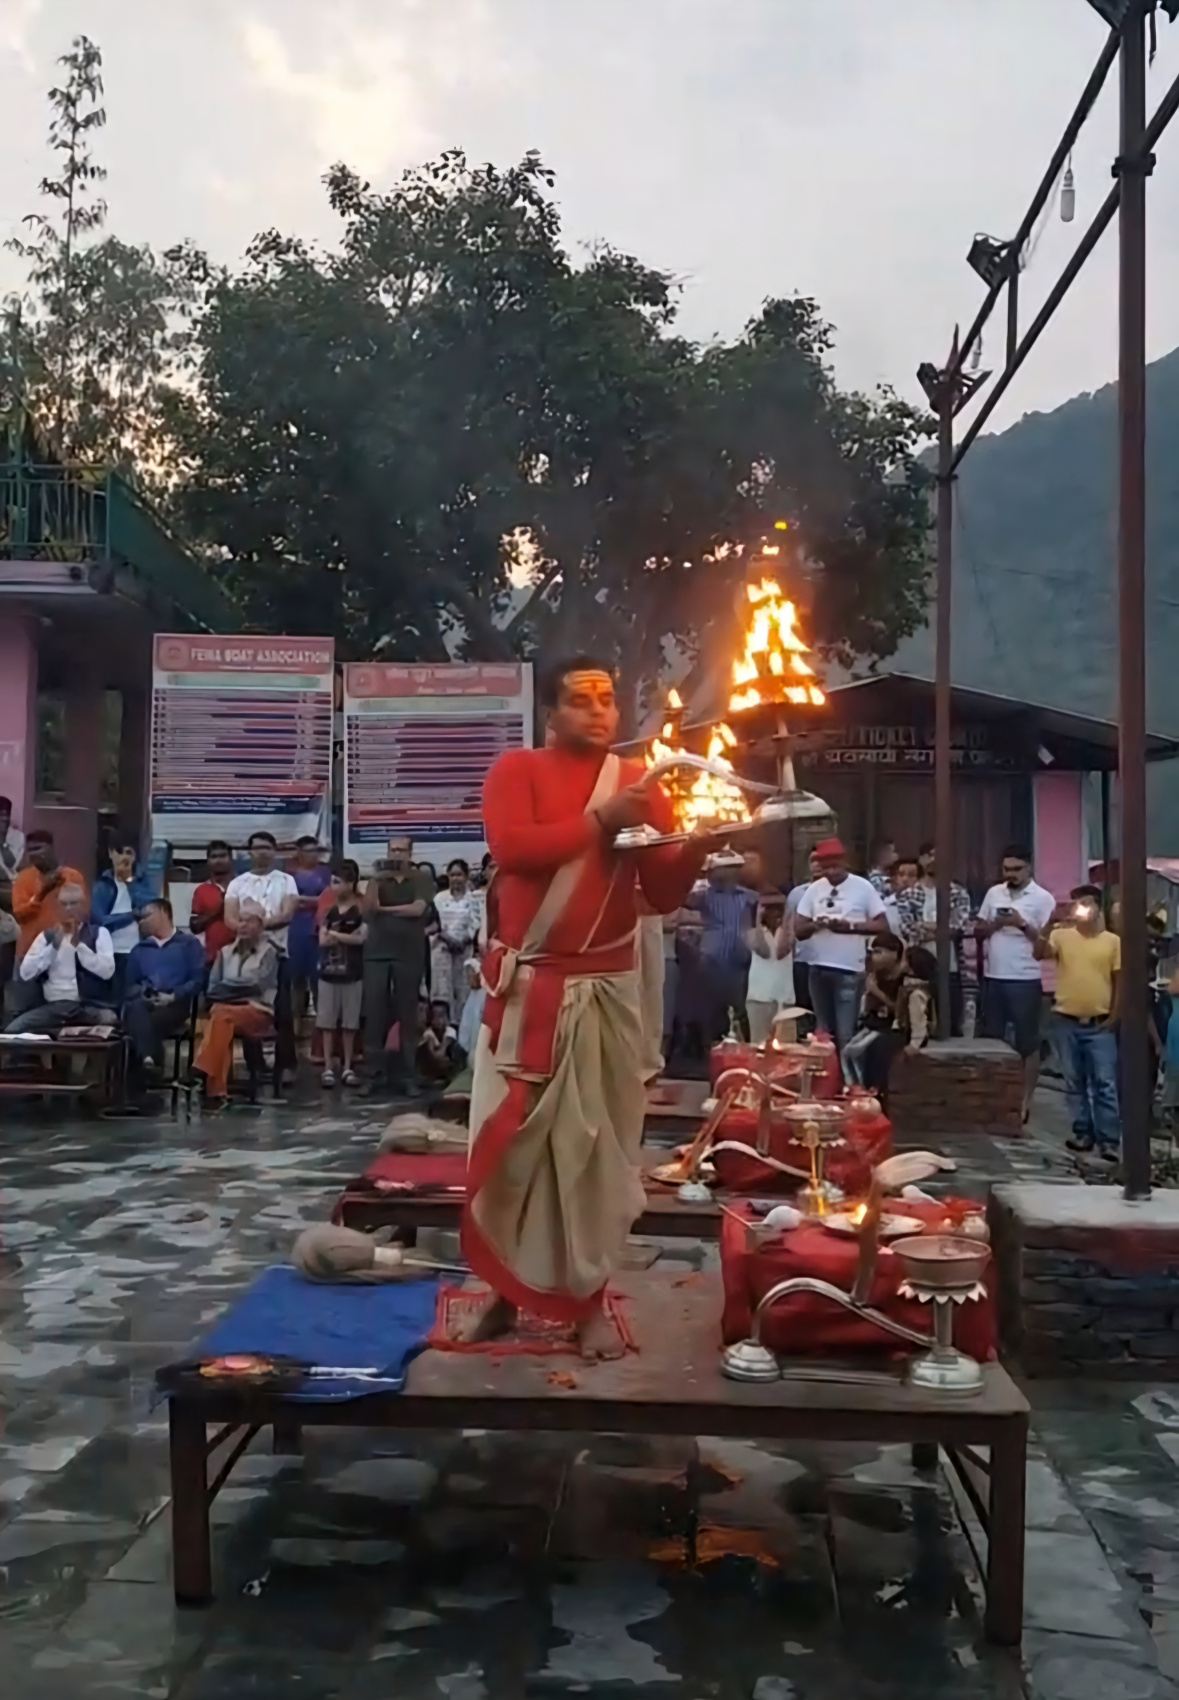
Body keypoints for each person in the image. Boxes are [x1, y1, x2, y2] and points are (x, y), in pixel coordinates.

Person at [465, 654, 709, 1359]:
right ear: (551, 712)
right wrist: (602, 820)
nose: (600, 711)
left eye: (607, 699)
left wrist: (699, 844)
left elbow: (660, 893)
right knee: (512, 1153)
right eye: (582, 700)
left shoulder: (639, 781)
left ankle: (586, 1303)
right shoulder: (517, 770)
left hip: (606, 994)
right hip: (528, 994)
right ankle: (503, 1293)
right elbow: (513, 850)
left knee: (594, 1158)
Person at [1034, 886, 1121, 1160]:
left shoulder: (1112, 942)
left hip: (1099, 1022)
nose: (1083, 909)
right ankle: (1083, 1133)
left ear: (1099, 908)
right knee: (1073, 1081)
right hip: (1066, 1019)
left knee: (1105, 1083)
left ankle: (1109, 1140)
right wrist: (1049, 924)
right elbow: (1039, 953)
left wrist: (1115, 1015)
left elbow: (1119, 981)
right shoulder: (1061, 936)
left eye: (1088, 904)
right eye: (1079, 904)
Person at [977, 845, 1056, 1121]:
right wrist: (996, 925)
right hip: (994, 976)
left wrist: (1021, 924)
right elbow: (978, 930)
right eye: (1006, 869)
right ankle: (996, 1099)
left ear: (1029, 867)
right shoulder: (993, 893)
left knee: (1027, 1043)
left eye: (1016, 869)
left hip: (1025, 977)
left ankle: (1025, 1101)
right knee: (992, 1039)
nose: (1011, 874)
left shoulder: (1043, 899)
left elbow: (1047, 943)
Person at [793, 838, 886, 1058]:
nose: (831, 872)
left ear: (845, 862)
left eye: (835, 866)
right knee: (823, 1034)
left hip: (849, 970)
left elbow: (882, 926)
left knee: (846, 1034)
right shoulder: (814, 889)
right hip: (817, 969)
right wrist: (817, 924)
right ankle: (829, 1075)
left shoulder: (863, 887)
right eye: (826, 867)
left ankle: (849, 1076)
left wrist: (850, 926)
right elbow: (799, 929)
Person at [362, 836, 434, 1096]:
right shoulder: (378, 879)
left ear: (410, 853)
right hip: (376, 953)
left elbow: (417, 910)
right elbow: (368, 911)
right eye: (393, 850)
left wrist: (385, 909)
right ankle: (374, 1074)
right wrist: (375, 882)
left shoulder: (421, 879)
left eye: (402, 850)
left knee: (407, 1014)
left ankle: (407, 1075)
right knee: (374, 1013)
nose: (397, 854)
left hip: (409, 953)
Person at [224, 831, 299, 1078]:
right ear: (250, 852)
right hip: (248, 954)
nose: (263, 852)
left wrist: (256, 925)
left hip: (278, 953)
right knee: (250, 1008)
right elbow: (230, 918)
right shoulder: (238, 883)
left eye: (267, 847)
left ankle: (285, 1066)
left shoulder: (286, 881)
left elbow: (287, 914)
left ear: (274, 851)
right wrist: (248, 929)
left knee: (283, 1011)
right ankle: (255, 1065)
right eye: (257, 848)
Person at [193, 907, 279, 1106]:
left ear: (261, 926)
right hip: (226, 1010)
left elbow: (257, 984)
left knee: (220, 1015)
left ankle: (205, 1072)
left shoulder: (269, 952)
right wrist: (234, 989)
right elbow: (212, 987)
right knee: (222, 1021)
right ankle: (216, 1089)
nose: (243, 925)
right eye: (241, 920)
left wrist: (228, 988)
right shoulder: (224, 953)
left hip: (258, 1010)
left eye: (249, 921)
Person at [6, 883, 115, 1034]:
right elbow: (25, 973)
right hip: (53, 1007)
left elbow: (107, 971)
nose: (68, 909)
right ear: (57, 908)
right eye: (64, 904)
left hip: (86, 1006)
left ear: (84, 906)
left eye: (73, 903)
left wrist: (80, 946)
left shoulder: (99, 933)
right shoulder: (46, 937)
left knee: (111, 1018)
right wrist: (53, 948)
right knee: (13, 1030)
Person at [121, 899, 206, 1080]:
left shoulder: (188, 944)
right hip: (145, 1002)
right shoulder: (139, 949)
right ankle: (150, 1061)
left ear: (163, 913)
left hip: (175, 1004)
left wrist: (174, 996)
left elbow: (198, 980)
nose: (142, 922)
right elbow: (130, 985)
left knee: (137, 1024)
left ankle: (149, 1062)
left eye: (147, 916)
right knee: (136, 1010)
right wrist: (144, 992)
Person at [894, 842, 973, 1035]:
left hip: (950, 966)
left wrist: (926, 926)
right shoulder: (908, 894)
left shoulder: (959, 893)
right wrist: (940, 928)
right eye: (929, 855)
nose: (934, 860)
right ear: (921, 860)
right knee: (917, 1021)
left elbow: (958, 926)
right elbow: (907, 928)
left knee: (951, 1023)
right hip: (917, 967)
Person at [685, 851, 758, 1042]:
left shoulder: (749, 897)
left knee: (742, 1010)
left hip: (740, 962)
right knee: (711, 1012)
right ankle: (711, 1049)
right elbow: (682, 899)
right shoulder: (703, 896)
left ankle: (744, 1048)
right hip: (711, 961)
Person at [317, 858, 367, 1088]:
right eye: (332, 882)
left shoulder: (360, 910)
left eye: (338, 882)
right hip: (328, 972)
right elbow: (322, 940)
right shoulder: (330, 912)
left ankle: (348, 1066)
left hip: (352, 972)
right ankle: (328, 1066)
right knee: (327, 1022)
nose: (333, 886)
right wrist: (342, 937)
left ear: (350, 883)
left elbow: (361, 938)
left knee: (350, 1023)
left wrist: (336, 936)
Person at [91, 839, 155, 1004]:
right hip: (111, 952)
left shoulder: (141, 883)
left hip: (136, 951)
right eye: (120, 852)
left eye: (129, 853)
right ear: (111, 853)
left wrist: (129, 881)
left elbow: (150, 908)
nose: (124, 857)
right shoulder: (102, 886)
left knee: (133, 999)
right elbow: (100, 922)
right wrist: (130, 915)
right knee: (113, 999)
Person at [842, 932, 906, 1087]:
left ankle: (869, 1089)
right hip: (873, 1024)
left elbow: (900, 1011)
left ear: (894, 954)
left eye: (879, 952)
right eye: (873, 952)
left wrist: (876, 992)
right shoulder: (876, 975)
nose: (874, 957)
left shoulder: (903, 979)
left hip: (893, 1027)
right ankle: (856, 1087)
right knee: (848, 1052)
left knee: (865, 1051)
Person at [12, 832, 87, 960]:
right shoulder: (24, 878)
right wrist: (41, 893)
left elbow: (80, 913)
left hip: (63, 951)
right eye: (30, 850)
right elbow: (19, 915)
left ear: (51, 848)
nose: (33, 854)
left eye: (38, 848)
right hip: (30, 953)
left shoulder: (72, 876)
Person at [286, 835, 332, 1014]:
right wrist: (316, 900)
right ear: (298, 852)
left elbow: (329, 899)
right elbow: (289, 900)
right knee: (296, 979)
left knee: (318, 978)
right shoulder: (289, 873)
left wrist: (303, 900)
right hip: (296, 930)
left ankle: (321, 1021)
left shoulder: (325, 872)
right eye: (309, 851)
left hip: (319, 929)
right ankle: (296, 1022)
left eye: (316, 851)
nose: (313, 855)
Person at [432, 858, 480, 1023]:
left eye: (459, 875)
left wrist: (464, 940)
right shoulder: (440, 898)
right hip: (442, 949)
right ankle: (445, 1030)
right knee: (443, 990)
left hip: (465, 949)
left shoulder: (473, 899)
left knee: (464, 991)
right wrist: (447, 939)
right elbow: (435, 923)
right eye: (452, 875)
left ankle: (462, 1029)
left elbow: (476, 923)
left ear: (466, 876)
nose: (455, 879)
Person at [745, 893, 794, 1045]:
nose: (774, 913)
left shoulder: (787, 933)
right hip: (759, 996)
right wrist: (758, 921)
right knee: (759, 1043)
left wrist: (787, 921)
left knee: (785, 1046)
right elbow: (763, 950)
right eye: (769, 909)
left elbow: (781, 952)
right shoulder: (752, 933)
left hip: (785, 997)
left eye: (778, 909)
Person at [785, 849, 823, 1014]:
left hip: (829, 961)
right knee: (803, 1010)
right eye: (813, 860)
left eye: (821, 860)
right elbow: (789, 927)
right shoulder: (797, 894)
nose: (817, 864)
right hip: (802, 960)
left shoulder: (840, 893)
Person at [190, 841, 236, 968]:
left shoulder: (244, 886)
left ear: (231, 859)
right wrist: (219, 909)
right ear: (208, 861)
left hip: (243, 957)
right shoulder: (201, 890)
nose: (218, 860)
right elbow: (194, 926)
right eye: (214, 857)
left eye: (223, 856)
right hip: (212, 959)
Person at [895, 944, 937, 1054]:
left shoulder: (917, 993)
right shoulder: (905, 986)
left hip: (913, 1038)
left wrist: (914, 1044)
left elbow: (918, 1019)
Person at [418, 997, 458, 1084]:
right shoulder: (429, 1033)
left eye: (442, 1016)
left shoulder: (450, 1031)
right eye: (435, 1016)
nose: (439, 1020)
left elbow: (442, 1051)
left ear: (448, 1019)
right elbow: (435, 1054)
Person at [883, 853, 920, 938]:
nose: (905, 879)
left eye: (911, 875)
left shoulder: (926, 903)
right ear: (893, 878)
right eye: (901, 874)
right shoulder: (884, 905)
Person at [0, 794, 24, 891]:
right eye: (1, 815)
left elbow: (11, 864)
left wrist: (2, 842)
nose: (4, 818)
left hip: (12, 886)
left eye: (6, 814)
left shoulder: (18, 837)